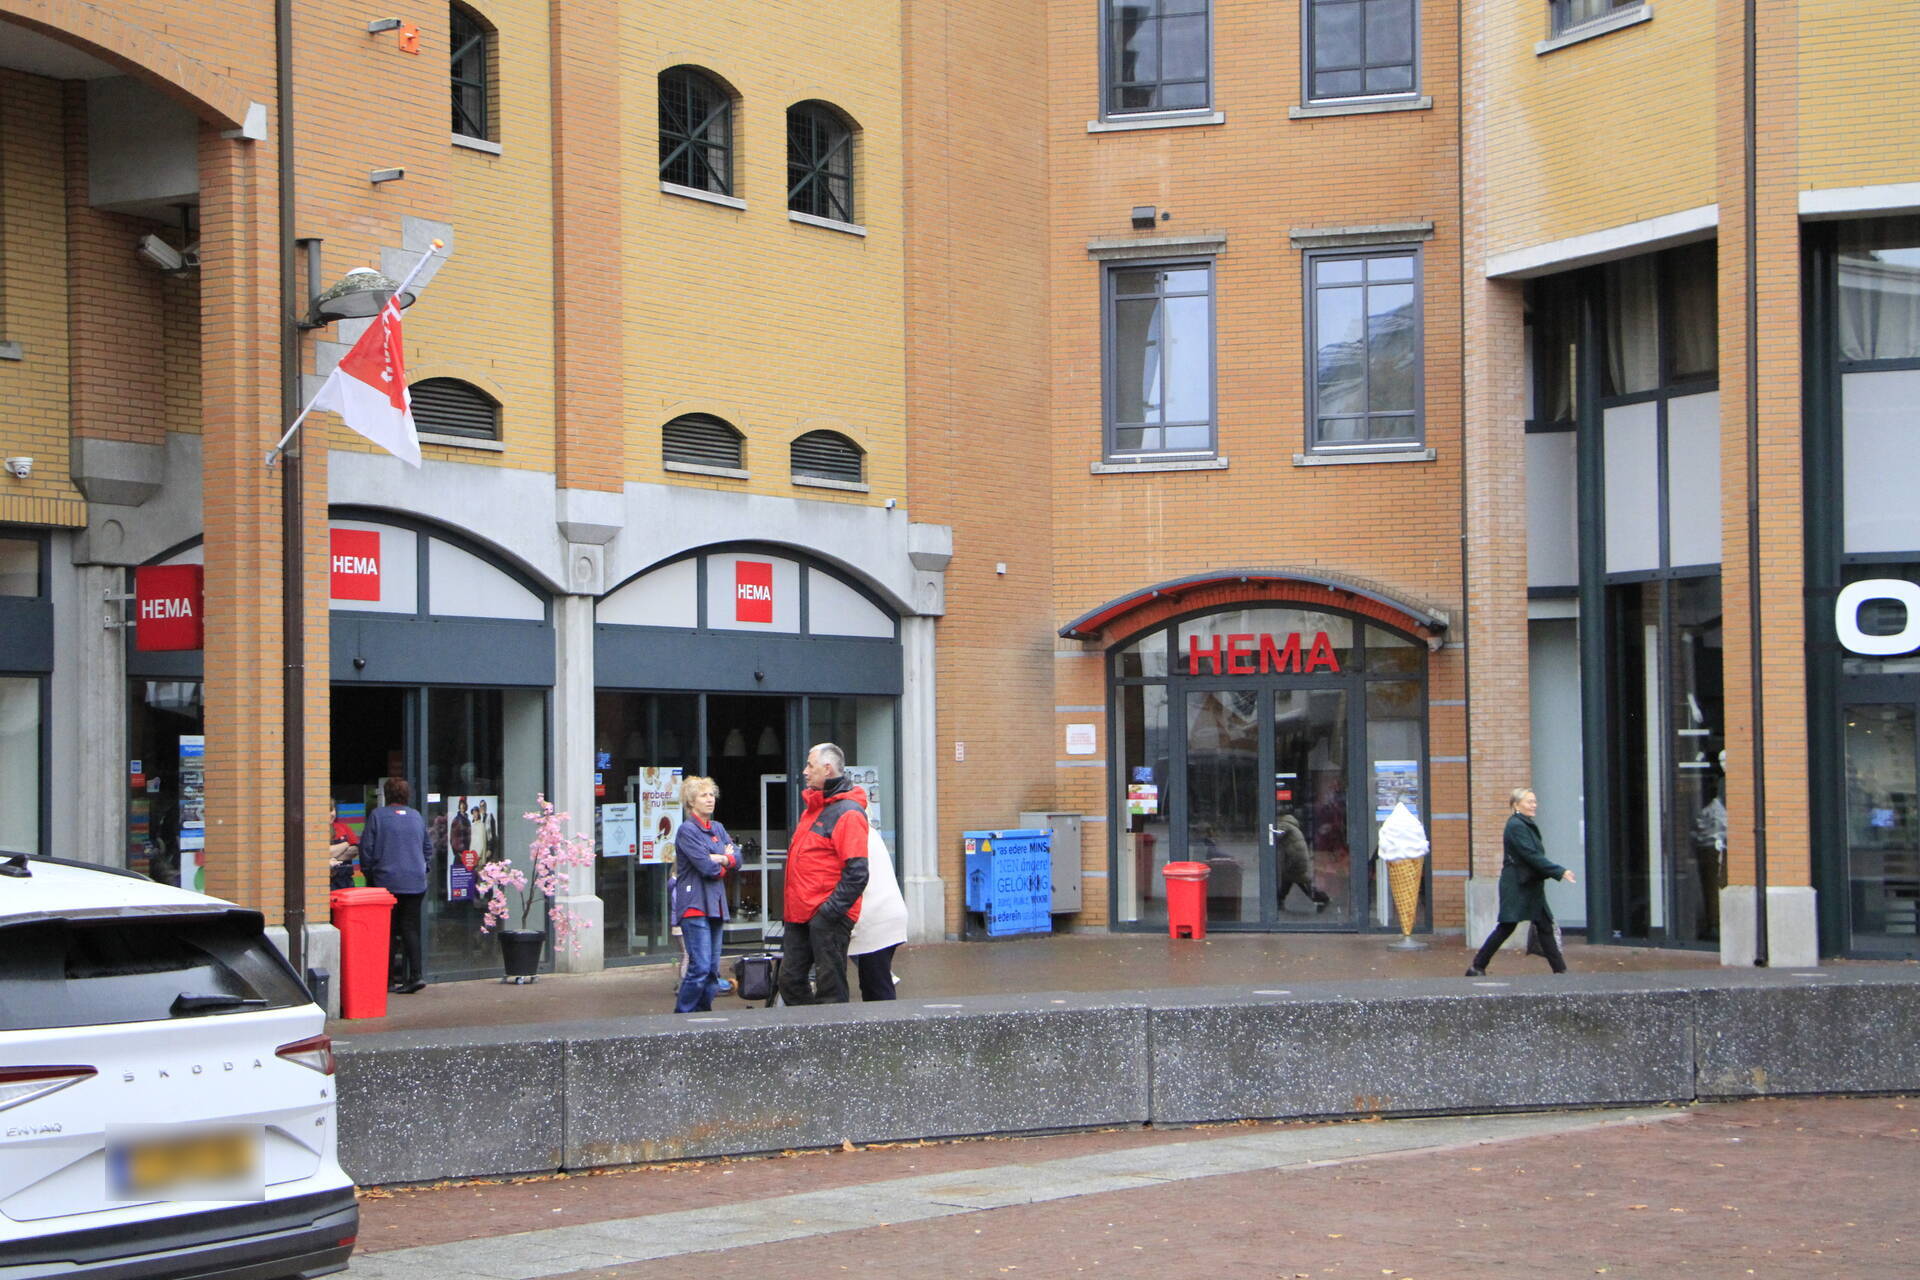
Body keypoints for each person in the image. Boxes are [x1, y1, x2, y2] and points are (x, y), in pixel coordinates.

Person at [777, 742, 869, 1005]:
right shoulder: (816, 808)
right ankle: (810, 1028)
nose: (805, 771)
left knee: (830, 988)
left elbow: (857, 873)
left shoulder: (847, 813)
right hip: (801, 913)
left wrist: (828, 913)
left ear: (827, 769)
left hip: (825, 915)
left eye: (810, 766)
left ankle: (828, 1030)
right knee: (790, 981)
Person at [1466, 787, 1576, 976]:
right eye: (1529, 802)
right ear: (1516, 805)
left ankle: (1560, 970)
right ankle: (1477, 966)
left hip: (1529, 884)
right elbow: (1530, 855)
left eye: (1535, 801)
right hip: (1518, 885)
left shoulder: (1523, 824)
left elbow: (1533, 856)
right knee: (1507, 926)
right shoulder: (1516, 826)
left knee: (1544, 925)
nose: (1534, 805)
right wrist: (1559, 871)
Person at [671, 775, 739, 1013]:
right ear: (691, 802)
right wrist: (725, 858)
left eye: (712, 795)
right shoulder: (687, 830)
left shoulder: (718, 827)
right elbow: (706, 867)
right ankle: (682, 1016)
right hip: (694, 905)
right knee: (699, 967)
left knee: (711, 970)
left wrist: (722, 858)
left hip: (715, 904)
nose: (710, 799)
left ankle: (702, 1016)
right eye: (703, 795)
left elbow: (737, 858)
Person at [360, 777, 433, 994]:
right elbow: (427, 848)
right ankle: (415, 976)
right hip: (415, 883)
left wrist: (370, 874)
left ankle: (387, 979)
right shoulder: (416, 816)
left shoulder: (378, 816)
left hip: (386, 881)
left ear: (387, 794)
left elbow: (366, 849)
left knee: (387, 931)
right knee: (410, 928)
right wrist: (422, 868)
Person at [849, 819, 908, 1001]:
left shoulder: (853, 831)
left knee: (876, 987)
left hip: (875, 917)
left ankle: (886, 1019)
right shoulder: (868, 831)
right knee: (874, 982)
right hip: (884, 915)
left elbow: (855, 878)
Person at [1273, 806, 1330, 913]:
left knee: (1302, 882)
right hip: (1296, 858)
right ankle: (1278, 901)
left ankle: (1322, 899)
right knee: (1288, 880)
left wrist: (1268, 830)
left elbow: (1275, 835)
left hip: (1296, 859)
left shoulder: (1285, 824)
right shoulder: (1290, 823)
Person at [328, 801, 359, 891]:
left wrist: (331, 856)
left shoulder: (344, 827)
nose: (332, 814)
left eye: (333, 810)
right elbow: (322, 853)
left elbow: (355, 851)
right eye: (328, 810)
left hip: (345, 881)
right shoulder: (315, 832)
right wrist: (345, 845)